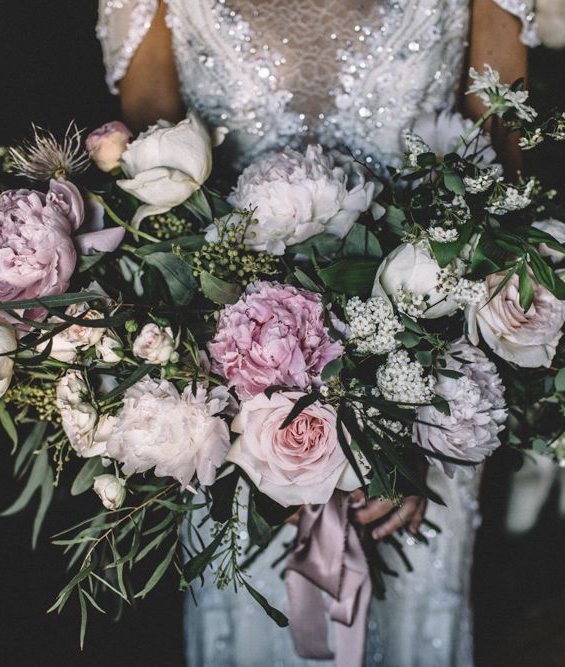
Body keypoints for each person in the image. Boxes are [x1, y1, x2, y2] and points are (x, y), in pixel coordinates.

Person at [96, 1, 538, 665]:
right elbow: (157, 224)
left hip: (426, 398)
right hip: (231, 421)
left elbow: (498, 193)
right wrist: (270, 440)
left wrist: (404, 428)